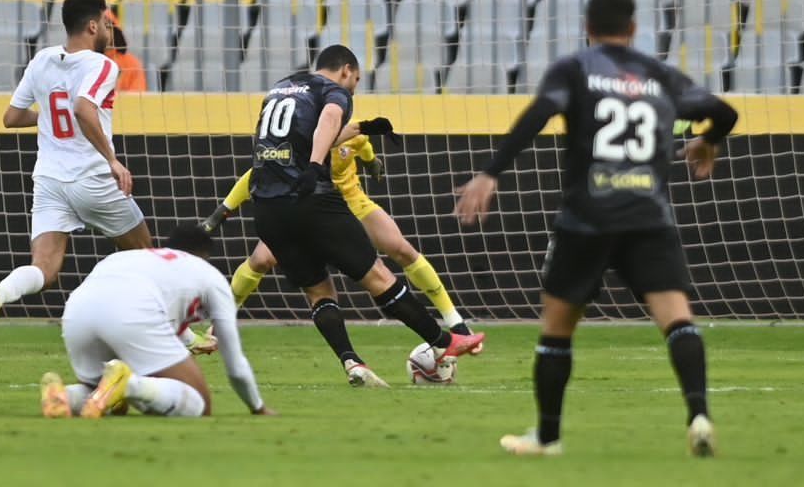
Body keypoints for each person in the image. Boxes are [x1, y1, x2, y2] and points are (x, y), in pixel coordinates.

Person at [454, 0, 739, 458]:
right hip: (650, 216)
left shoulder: (576, 69)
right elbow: (723, 112)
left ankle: (547, 436)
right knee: (677, 319)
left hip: (587, 218)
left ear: (588, 28)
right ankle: (699, 414)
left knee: (557, 327)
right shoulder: (661, 75)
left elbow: (538, 115)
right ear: (634, 28)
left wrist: (490, 173)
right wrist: (708, 140)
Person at [248, 44, 485, 387]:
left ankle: (352, 363)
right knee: (377, 274)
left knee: (318, 291)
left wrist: (362, 128)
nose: (354, 87)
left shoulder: (281, 87)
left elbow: (306, 135)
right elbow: (329, 120)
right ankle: (446, 341)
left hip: (268, 208)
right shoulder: (334, 91)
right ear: (346, 70)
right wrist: (315, 167)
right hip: (312, 200)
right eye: (355, 80)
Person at [0, 0, 154, 348]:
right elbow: (84, 109)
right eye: (104, 24)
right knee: (145, 256)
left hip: (50, 180)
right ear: (91, 26)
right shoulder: (103, 65)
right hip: (92, 177)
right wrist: (112, 160)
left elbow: (11, 118)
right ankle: (171, 332)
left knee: (45, 268)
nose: (108, 31)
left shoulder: (41, 60)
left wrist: (50, 119)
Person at [203, 126, 476, 336]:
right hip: (310, 208)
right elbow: (255, 174)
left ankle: (455, 321)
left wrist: (371, 162)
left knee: (400, 248)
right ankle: (221, 324)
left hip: (352, 202)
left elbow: (364, 144)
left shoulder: (351, 131)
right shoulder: (302, 137)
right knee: (261, 259)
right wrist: (223, 210)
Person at [39, 225, 274, 419]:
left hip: (76, 312)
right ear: (204, 256)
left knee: (101, 394)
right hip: (132, 313)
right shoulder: (209, 275)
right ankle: (128, 384)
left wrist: (190, 340)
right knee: (200, 403)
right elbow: (234, 362)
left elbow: (164, 314)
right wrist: (257, 407)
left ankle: (65, 397)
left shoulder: (130, 257)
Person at [105, 8, 148, 94]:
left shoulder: (132, 63)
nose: (101, 32)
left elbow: (137, 100)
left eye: (107, 27)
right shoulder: (82, 62)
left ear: (115, 31)